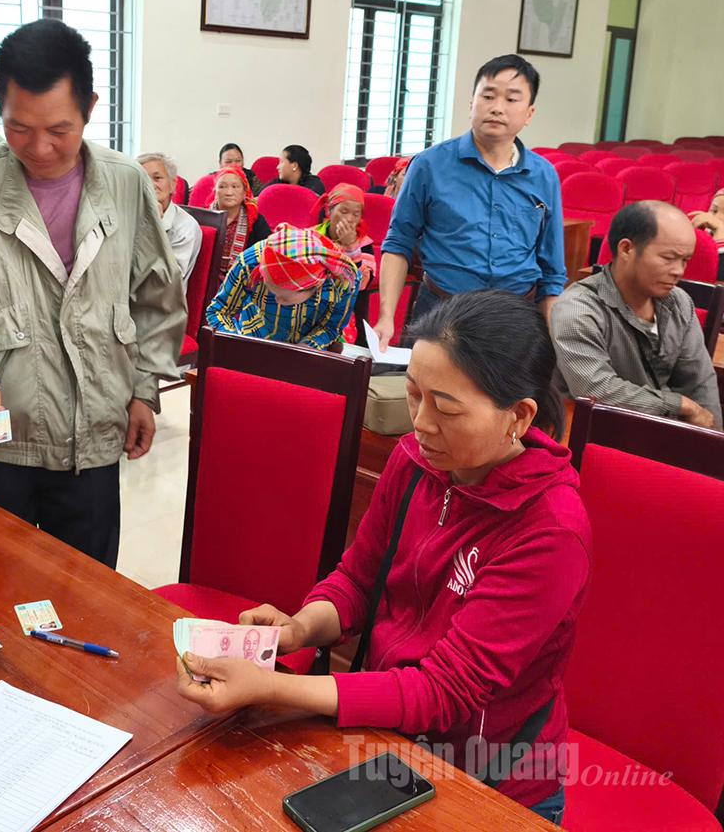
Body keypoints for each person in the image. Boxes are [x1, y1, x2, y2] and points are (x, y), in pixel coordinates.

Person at [178, 291, 591, 826]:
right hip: (388, 738)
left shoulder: (549, 529)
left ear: (519, 415)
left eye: (445, 408)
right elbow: (358, 577)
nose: (420, 423)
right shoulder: (416, 459)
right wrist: (300, 629)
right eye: (413, 395)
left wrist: (275, 686)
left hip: (486, 774)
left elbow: (445, 691)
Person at [0, 19, 185, 569]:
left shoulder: (124, 184)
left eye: (59, 128)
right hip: (0, 440)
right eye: (18, 128)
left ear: (91, 107)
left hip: (95, 437)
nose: (41, 147)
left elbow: (155, 297)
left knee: (89, 595)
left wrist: (144, 390)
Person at [372, 55, 565, 351]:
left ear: (529, 113)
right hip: (442, 311)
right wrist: (386, 317)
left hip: (514, 318)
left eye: (512, 99)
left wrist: (551, 342)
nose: (497, 107)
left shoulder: (544, 176)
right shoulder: (429, 165)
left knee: (505, 398)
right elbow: (398, 242)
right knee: (426, 395)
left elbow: (552, 270)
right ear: (471, 103)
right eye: (487, 95)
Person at [551, 201, 721, 430]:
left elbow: (699, 382)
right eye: (668, 258)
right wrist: (681, 405)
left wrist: (713, 442)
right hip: (596, 432)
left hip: (664, 429)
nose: (678, 271)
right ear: (626, 249)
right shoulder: (578, 308)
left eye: (685, 260)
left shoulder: (679, 302)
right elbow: (597, 389)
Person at [205, 224, 358, 352]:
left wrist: (307, 348)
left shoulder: (343, 280)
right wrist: (236, 342)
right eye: (270, 291)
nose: (277, 300)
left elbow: (331, 327)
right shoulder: (250, 262)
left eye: (285, 298)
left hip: (306, 355)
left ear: (316, 285)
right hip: (253, 341)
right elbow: (218, 311)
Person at [138, 152, 203, 293]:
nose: (150, 184)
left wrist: (153, 226)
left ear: (173, 185)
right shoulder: (131, 215)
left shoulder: (185, 227)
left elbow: (165, 282)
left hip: (159, 307)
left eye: (157, 178)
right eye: (143, 178)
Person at [311, 183, 376, 290]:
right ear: (329, 211)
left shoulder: (364, 243)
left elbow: (363, 283)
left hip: (349, 304)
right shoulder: (313, 236)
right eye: (344, 211)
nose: (350, 219)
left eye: (356, 214)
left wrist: (351, 247)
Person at [211, 165, 272, 277]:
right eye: (222, 187)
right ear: (215, 191)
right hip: (208, 279)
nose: (229, 192)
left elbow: (266, 255)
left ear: (245, 192)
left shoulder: (256, 220)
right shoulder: (205, 218)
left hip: (243, 281)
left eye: (235, 186)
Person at [260, 145, 325, 195]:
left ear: (294, 166)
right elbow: (257, 199)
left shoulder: (314, 186)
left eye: (281, 162)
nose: (277, 167)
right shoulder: (276, 184)